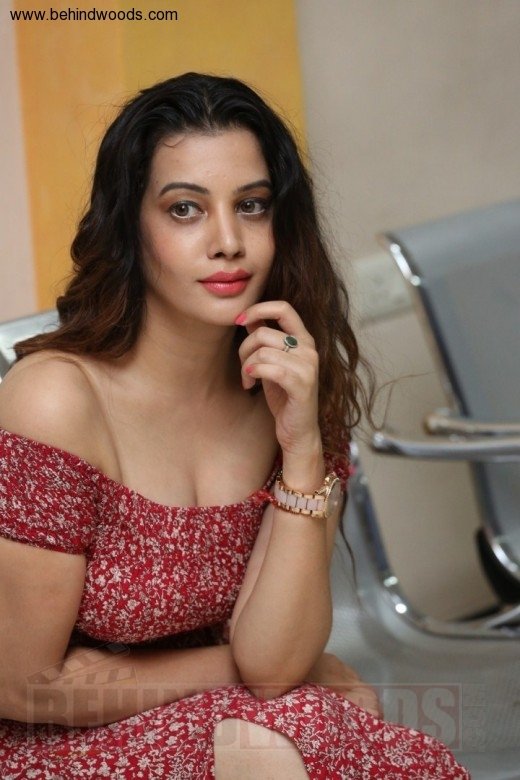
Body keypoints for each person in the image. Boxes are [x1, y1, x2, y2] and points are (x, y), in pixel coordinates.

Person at [0, 73, 469, 779]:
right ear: (131, 225)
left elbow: (274, 666)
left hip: (230, 717)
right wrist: (250, 670)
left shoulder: (288, 387)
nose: (228, 242)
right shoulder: (55, 400)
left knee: (307, 728)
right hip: (54, 741)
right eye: (185, 209)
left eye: (251, 206)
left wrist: (303, 447)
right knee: (294, 730)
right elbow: (24, 686)